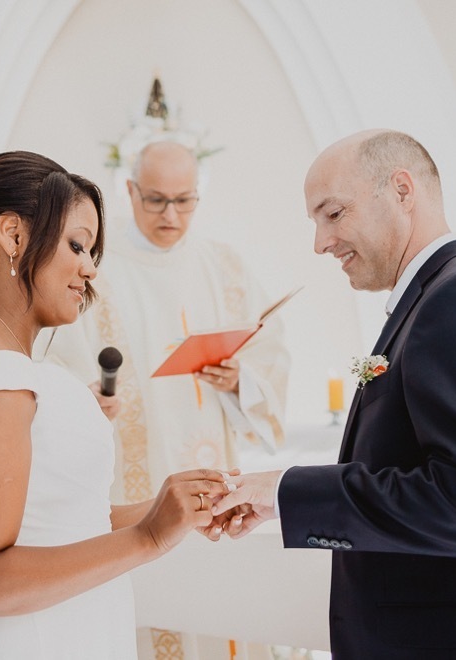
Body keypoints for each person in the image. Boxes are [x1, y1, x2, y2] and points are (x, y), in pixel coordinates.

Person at [212, 129, 456, 658]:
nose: (320, 242)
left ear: (403, 191)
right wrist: (276, 502)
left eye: (333, 214)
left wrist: (288, 491)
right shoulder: (437, 301)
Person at [0, 150, 234, 659]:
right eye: (78, 245)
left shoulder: (7, 365)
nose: (89, 270)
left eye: (94, 253)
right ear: (13, 235)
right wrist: (148, 537)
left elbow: (63, 524)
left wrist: (169, 509)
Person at [41, 140, 290, 658]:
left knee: (217, 613)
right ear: (129, 191)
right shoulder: (93, 273)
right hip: (134, 487)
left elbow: (272, 355)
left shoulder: (225, 267)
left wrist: (240, 379)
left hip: (215, 476)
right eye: (155, 200)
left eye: (185, 200)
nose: (171, 215)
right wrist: (84, 400)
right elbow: (54, 365)